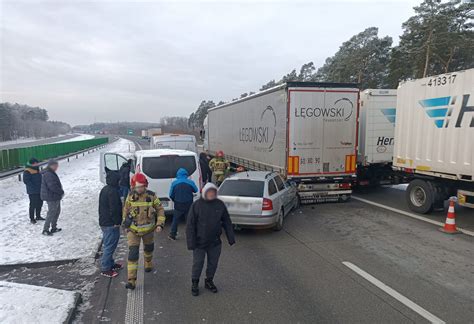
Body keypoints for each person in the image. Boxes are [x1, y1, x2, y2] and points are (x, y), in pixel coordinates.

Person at [186, 182, 235, 296]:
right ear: (204, 193)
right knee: (198, 263)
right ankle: (195, 282)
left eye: (213, 192)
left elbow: (227, 221)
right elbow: (190, 225)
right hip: (199, 242)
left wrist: (230, 237)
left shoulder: (220, 204)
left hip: (215, 242)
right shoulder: (197, 205)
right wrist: (191, 242)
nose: (211, 194)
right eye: (209, 192)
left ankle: (209, 281)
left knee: (213, 263)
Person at [122, 173, 165, 290]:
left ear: (145, 185)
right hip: (133, 231)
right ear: (133, 187)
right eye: (137, 187)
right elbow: (125, 212)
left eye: (141, 186)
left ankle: (148, 262)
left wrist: (159, 224)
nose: (139, 189)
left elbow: (160, 210)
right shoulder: (130, 197)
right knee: (133, 254)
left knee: (149, 248)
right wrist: (125, 225)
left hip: (148, 231)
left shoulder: (152, 196)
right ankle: (131, 280)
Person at [99, 170, 123, 278]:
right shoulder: (112, 192)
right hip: (110, 223)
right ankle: (105, 268)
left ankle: (110, 263)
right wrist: (117, 222)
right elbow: (114, 209)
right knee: (110, 245)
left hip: (105, 221)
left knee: (110, 244)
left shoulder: (105, 189)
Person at [168, 168, 198, 241]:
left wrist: (174, 200)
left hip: (178, 204)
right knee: (189, 220)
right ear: (186, 175)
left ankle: (172, 235)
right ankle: (191, 235)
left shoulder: (174, 183)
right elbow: (196, 190)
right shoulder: (190, 182)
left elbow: (171, 194)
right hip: (189, 204)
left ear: (177, 175)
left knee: (175, 220)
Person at [40, 159, 64, 236]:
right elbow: (52, 186)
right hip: (51, 196)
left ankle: (54, 227)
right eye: (56, 166)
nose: (57, 167)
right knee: (51, 213)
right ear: (52, 165)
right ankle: (45, 229)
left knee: (56, 212)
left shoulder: (51, 172)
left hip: (55, 196)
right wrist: (61, 192)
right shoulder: (48, 174)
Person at [23, 158, 45, 224]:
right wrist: (35, 187)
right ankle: (32, 218)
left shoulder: (36, 168)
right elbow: (26, 181)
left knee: (40, 203)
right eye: (36, 163)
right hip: (33, 191)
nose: (37, 164)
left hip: (39, 189)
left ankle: (38, 216)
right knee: (33, 205)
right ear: (32, 163)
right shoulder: (27, 171)